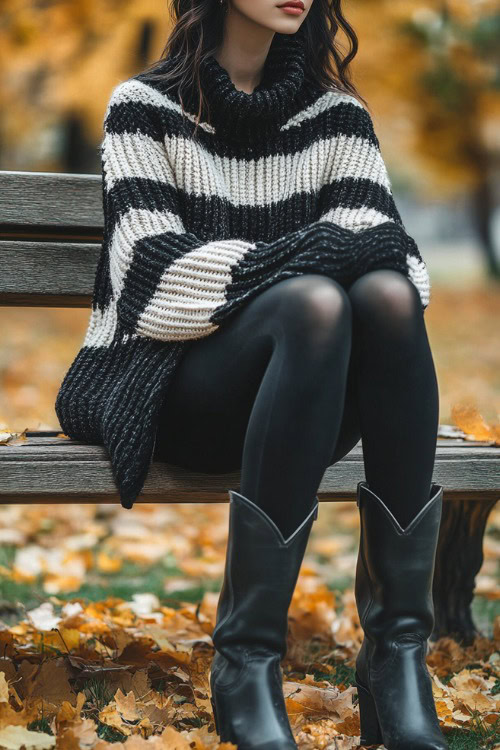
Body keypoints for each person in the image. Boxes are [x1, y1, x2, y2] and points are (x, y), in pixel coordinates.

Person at [54, 1, 448, 748]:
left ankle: (397, 655)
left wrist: (319, 261)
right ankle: (246, 663)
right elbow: (151, 279)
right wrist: (307, 258)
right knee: (314, 303)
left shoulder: (338, 121)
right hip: (171, 385)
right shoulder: (144, 109)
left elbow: (399, 264)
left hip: (306, 398)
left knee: (386, 298)